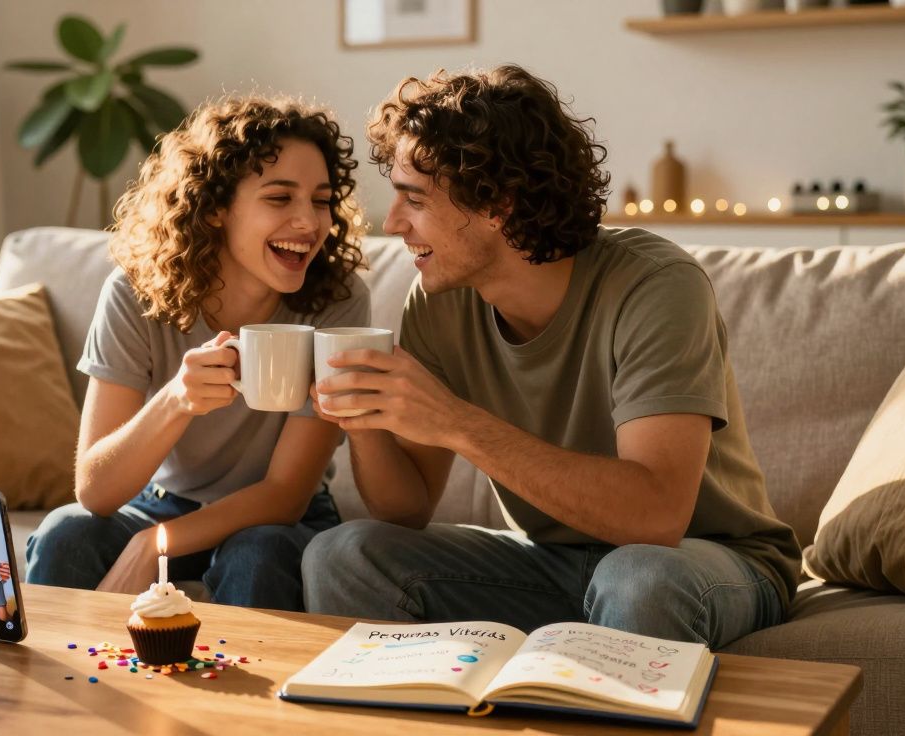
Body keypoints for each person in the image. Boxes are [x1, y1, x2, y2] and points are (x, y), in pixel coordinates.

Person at [304, 65, 800, 649]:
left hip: (703, 562)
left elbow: (656, 517)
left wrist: (456, 423)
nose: (391, 224)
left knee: (637, 578)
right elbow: (406, 509)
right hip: (550, 563)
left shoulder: (656, 285)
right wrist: (363, 420)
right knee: (342, 554)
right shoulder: (439, 297)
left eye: (414, 199)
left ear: (497, 203)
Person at [25, 96, 369, 612]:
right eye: (279, 198)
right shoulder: (134, 295)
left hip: (281, 519)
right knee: (65, 534)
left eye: (320, 200)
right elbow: (95, 492)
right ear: (213, 209)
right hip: (162, 503)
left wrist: (153, 545)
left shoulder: (338, 301)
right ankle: (57, 690)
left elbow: (285, 493)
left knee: (257, 554)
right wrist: (175, 401)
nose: (308, 222)